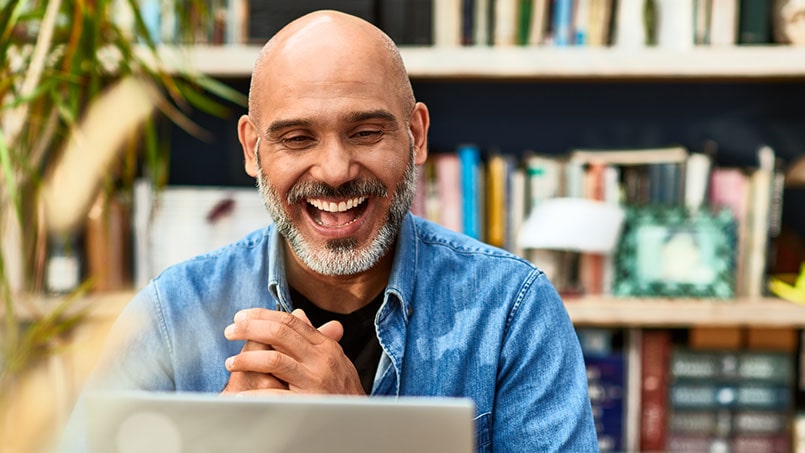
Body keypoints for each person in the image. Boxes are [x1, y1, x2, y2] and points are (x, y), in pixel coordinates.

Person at [60, 9, 598, 452]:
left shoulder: (512, 311)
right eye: (297, 138)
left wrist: (359, 435)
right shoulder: (170, 316)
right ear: (253, 150)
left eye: (365, 132)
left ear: (416, 135)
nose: (336, 171)